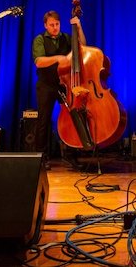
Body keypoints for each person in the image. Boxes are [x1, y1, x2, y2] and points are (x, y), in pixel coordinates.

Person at [32, 10, 86, 170]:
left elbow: (82, 46)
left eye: (57, 24)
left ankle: (71, 155)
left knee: (73, 118)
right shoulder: (40, 39)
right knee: (43, 121)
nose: (55, 27)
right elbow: (39, 62)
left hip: (65, 84)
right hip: (46, 84)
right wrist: (58, 58)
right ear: (45, 25)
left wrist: (79, 26)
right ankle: (41, 157)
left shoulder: (67, 38)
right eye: (51, 25)